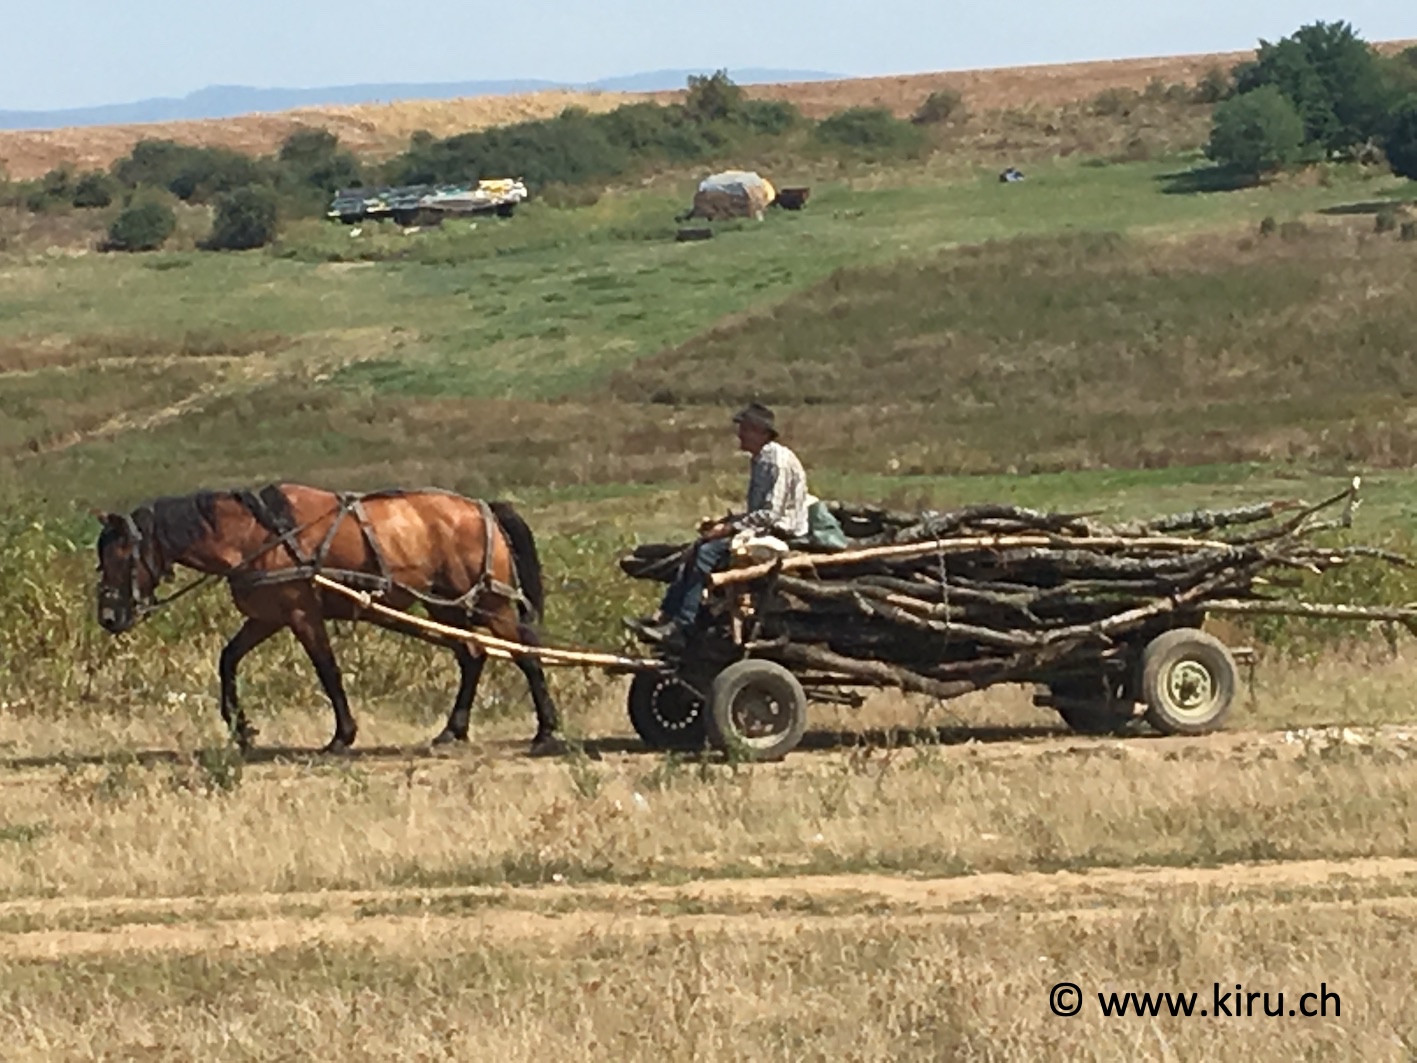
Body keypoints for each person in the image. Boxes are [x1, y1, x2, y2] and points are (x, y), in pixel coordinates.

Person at [628, 402, 823, 651]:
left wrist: (730, 529)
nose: (739, 434)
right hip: (765, 529)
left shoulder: (775, 461)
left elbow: (771, 514)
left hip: (780, 533)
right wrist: (729, 522)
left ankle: (682, 625)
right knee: (696, 548)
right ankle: (664, 618)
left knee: (706, 553)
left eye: (745, 428)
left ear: (760, 431)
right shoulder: (762, 458)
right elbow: (759, 512)